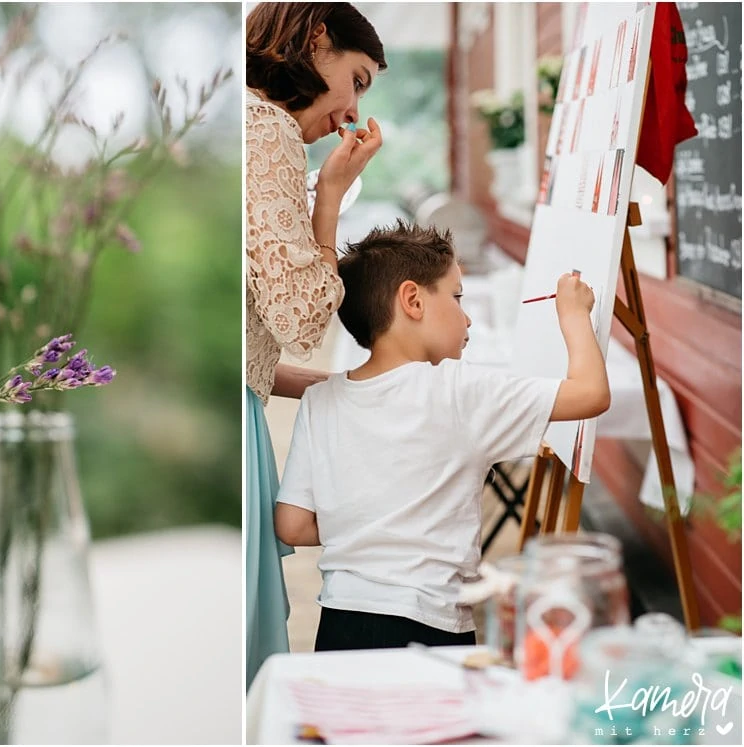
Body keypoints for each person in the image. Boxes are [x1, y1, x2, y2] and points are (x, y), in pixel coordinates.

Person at [274, 221, 610, 652]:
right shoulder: (460, 390)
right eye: (457, 297)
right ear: (413, 300)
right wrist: (574, 314)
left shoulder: (320, 401)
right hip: (428, 625)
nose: (466, 315)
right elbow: (591, 394)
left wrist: (367, 523)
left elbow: (294, 525)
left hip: (340, 622)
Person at [245, 2, 386, 688]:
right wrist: (329, 193)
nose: (351, 111)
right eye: (357, 80)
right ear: (316, 38)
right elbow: (301, 319)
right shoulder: (267, 131)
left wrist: (325, 385)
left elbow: (249, 342)